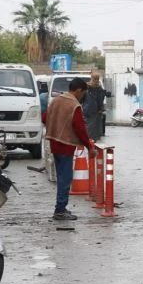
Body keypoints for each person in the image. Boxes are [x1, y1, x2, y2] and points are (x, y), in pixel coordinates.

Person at [44, 78, 95, 221]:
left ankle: (61, 208)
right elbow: (80, 128)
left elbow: (44, 117)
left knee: (62, 177)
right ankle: (60, 210)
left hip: (54, 143)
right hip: (65, 144)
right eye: (83, 93)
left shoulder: (56, 100)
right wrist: (89, 147)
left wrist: (56, 126)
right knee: (65, 179)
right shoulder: (74, 105)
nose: (82, 96)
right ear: (78, 90)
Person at [82, 71, 108, 139]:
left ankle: (90, 141)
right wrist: (101, 108)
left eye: (97, 79)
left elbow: (100, 100)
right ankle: (89, 141)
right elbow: (100, 101)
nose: (96, 80)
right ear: (92, 78)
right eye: (95, 78)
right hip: (90, 111)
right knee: (91, 129)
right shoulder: (88, 88)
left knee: (92, 129)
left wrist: (101, 109)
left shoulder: (97, 89)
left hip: (91, 111)